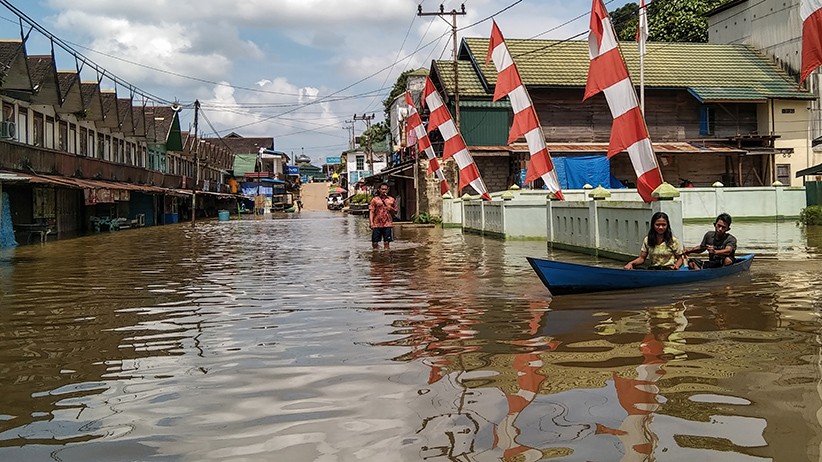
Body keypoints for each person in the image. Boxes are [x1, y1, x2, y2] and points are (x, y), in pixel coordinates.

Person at [369, 182, 397, 249]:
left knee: (386, 242)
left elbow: (396, 211)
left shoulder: (391, 200)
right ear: (379, 189)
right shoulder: (375, 200)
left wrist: (391, 209)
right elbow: (371, 211)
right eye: (382, 189)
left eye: (385, 189)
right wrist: (371, 222)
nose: (384, 191)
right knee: (374, 243)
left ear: (388, 190)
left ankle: (386, 255)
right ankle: (376, 255)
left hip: (387, 224)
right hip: (377, 224)